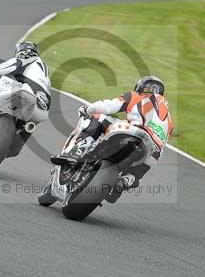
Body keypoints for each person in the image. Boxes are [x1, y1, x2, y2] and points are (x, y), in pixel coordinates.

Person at [51, 75, 173, 203]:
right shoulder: (169, 120)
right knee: (138, 172)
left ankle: (74, 153)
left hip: (133, 133)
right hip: (152, 150)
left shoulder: (137, 97)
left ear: (141, 88)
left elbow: (108, 106)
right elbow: (162, 145)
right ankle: (124, 182)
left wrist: (87, 109)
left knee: (97, 116)